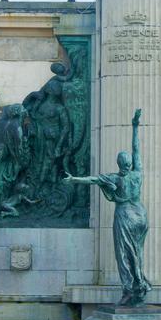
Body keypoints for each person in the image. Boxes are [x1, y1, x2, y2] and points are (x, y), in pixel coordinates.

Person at [64, 108, 150, 306]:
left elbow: (92, 179)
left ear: (119, 164)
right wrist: (135, 126)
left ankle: (130, 289)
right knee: (137, 252)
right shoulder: (138, 174)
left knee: (123, 253)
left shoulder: (114, 178)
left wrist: (74, 179)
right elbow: (136, 148)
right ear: (129, 163)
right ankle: (140, 286)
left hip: (125, 217)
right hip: (141, 216)